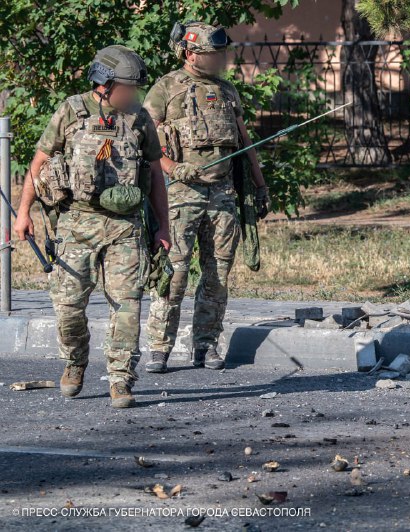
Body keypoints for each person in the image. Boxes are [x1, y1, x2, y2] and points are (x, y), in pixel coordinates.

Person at [13, 45, 171, 408]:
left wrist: (162, 226)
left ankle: (120, 378)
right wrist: (23, 214)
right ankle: (75, 362)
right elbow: (39, 164)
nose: (130, 95)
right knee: (68, 307)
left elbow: (156, 176)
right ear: (103, 82)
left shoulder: (139, 119)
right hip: (77, 224)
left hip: (125, 227)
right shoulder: (71, 110)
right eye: (125, 87)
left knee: (127, 305)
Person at [143, 21, 269, 373]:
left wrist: (260, 185)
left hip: (222, 194)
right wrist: (172, 168)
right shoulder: (166, 88)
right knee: (175, 273)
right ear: (189, 52)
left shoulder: (228, 91)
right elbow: (148, 145)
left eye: (219, 54)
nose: (218, 60)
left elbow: (245, 143)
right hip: (180, 194)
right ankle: (159, 347)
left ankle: (206, 345)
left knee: (217, 275)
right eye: (211, 54)